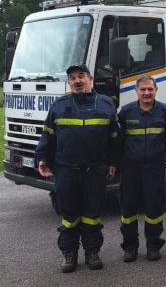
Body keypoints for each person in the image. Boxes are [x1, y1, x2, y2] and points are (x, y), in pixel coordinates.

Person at [35, 63, 120, 273]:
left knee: (92, 214)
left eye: (81, 76)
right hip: (66, 170)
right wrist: (42, 159)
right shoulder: (59, 106)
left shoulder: (107, 105)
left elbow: (115, 140)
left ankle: (92, 252)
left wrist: (112, 163)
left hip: (95, 170)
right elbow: (47, 137)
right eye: (72, 78)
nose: (77, 81)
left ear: (90, 79)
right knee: (69, 215)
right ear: (69, 82)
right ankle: (69, 254)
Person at [118, 75, 166, 262]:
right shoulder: (126, 113)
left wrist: (154, 154)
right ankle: (130, 247)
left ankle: (153, 246)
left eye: (150, 89)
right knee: (128, 208)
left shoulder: (164, 112)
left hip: (154, 167)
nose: (146, 93)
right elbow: (119, 141)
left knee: (154, 208)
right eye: (143, 89)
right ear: (136, 91)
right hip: (130, 167)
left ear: (156, 90)